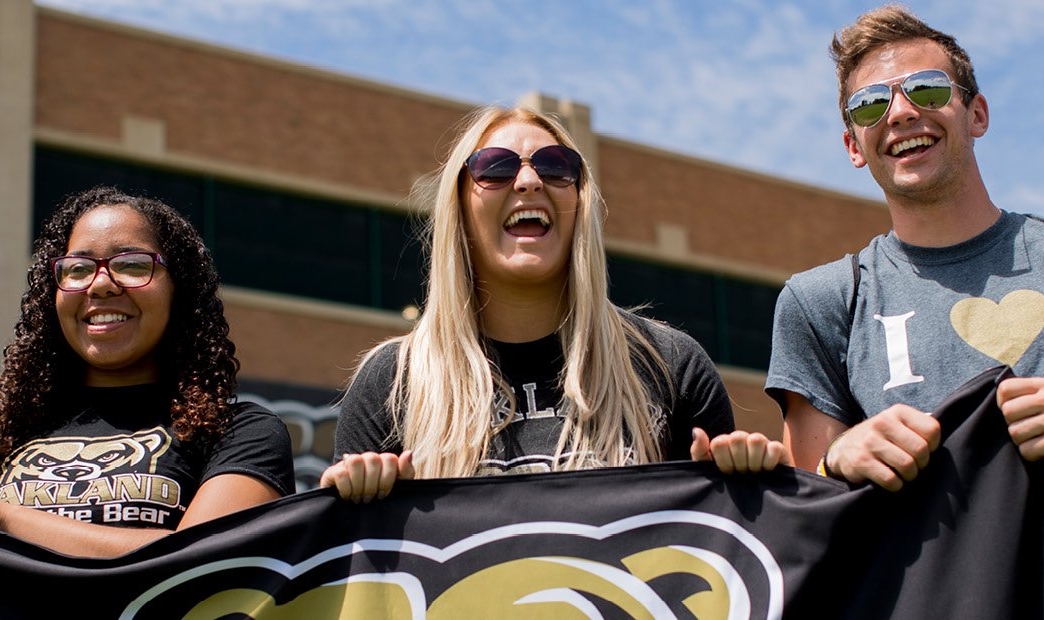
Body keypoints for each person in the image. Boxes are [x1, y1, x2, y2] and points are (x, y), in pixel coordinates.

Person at [766, 6, 1044, 618]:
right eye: (870, 105)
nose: (900, 113)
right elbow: (800, 529)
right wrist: (836, 461)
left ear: (976, 113)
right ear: (853, 144)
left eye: (927, 89)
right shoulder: (819, 302)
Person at [321, 106, 780, 501]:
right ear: (458, 206)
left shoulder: (670, 365)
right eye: (495, 167)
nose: (527, 181)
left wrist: (741, 485)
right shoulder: (392, 380)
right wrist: (356, 504)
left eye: (556, 165)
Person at [0, 187, 294, 557]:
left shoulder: (240, 434)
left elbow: (200, 563)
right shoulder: (7, 439)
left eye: (132, 264)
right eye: (77, 268)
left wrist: (0, 516)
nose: (102, 284)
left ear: (181, 290)